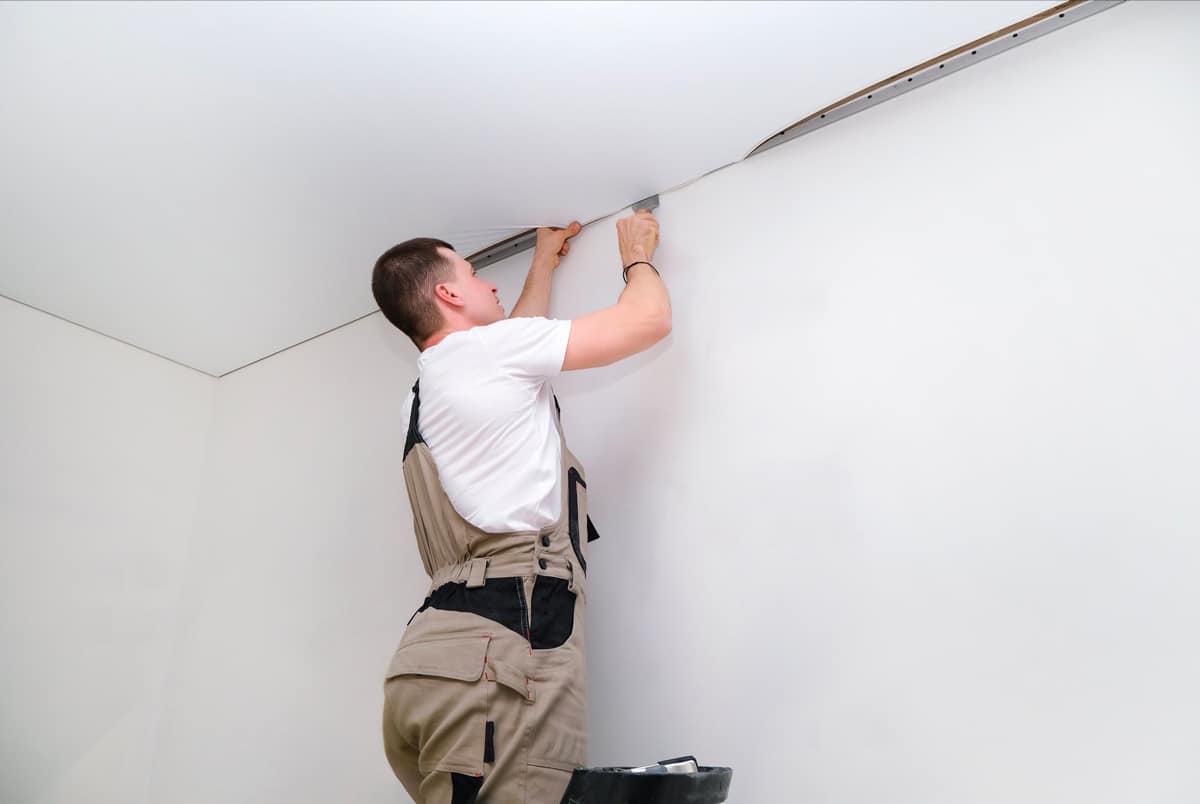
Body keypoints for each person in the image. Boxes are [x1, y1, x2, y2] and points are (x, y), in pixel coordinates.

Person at [372, 209, 670, 803]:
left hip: (430, 664)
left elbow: (515, 342)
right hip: (503, 644)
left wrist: (543, 261)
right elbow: (648, 320)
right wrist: (637, 257)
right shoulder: (487, 355)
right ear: (448, 292)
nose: (492, 286)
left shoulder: (430, 386)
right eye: (476, 274)